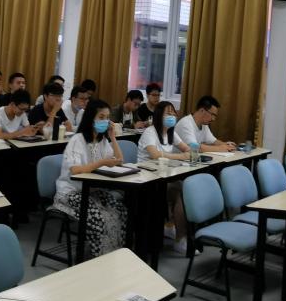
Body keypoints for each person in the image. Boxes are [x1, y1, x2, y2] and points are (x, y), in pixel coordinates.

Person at [53, 100, 127, 257]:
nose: (105, 121)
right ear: (90, 118)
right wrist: (101, 162)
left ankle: (115, 255)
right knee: (99, 216)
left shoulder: (102, 140)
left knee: (120, 210)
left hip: (92, 190)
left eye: (107, 117)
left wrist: (112, 137)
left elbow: (120, 160)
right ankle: (99, 257)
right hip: (70, 193)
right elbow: (75, 170)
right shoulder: (77, 140)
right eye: (101, 117)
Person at [138, 101, 192, 252]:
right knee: (180, 191)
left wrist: (187, 153)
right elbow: (155, 155)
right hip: (147, 180)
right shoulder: (150, 132)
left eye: (174, 113)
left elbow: (187, 149)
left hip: (164, 176)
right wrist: (180, 156)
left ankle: (174, 230)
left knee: (185, 190)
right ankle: (179, 237)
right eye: (168, 113)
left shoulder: (171, 133)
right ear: (158, 115)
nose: (172, 116)